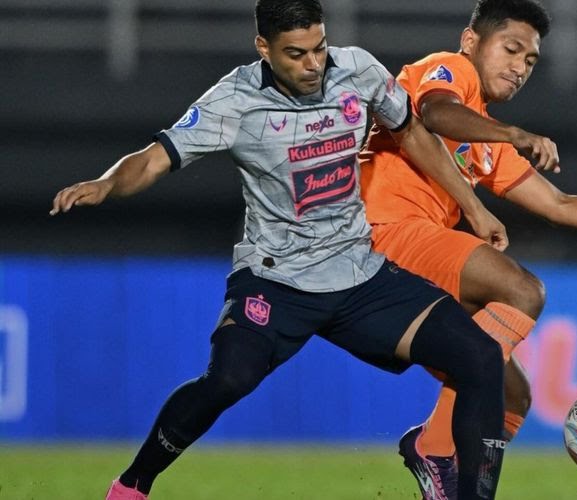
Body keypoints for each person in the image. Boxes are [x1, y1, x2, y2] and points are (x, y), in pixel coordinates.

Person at [49, 1, 515, 499]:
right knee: (227, 380)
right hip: (277, 281)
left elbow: (414, 134)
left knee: (482, 357)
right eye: (296, 54)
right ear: (263, 49)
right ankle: (131, 486)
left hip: (359, 275)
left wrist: (474, 208)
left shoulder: (358, 70)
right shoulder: (234, 99)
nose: (313, 65)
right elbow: (154, 159)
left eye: (319, 48)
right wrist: (105, 183)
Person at [359, 0, 577, 497]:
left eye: (530, 60)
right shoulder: (450, 71)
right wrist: (515, 133)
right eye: (512, 49)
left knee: (511, 395)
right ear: (472, 41)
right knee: (522, 289)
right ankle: (433, 448)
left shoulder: (487, 138)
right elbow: (435, 113)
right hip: (382, 232)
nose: (520, 66)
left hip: (416, 256)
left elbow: (560, 204)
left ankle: (466, 492)